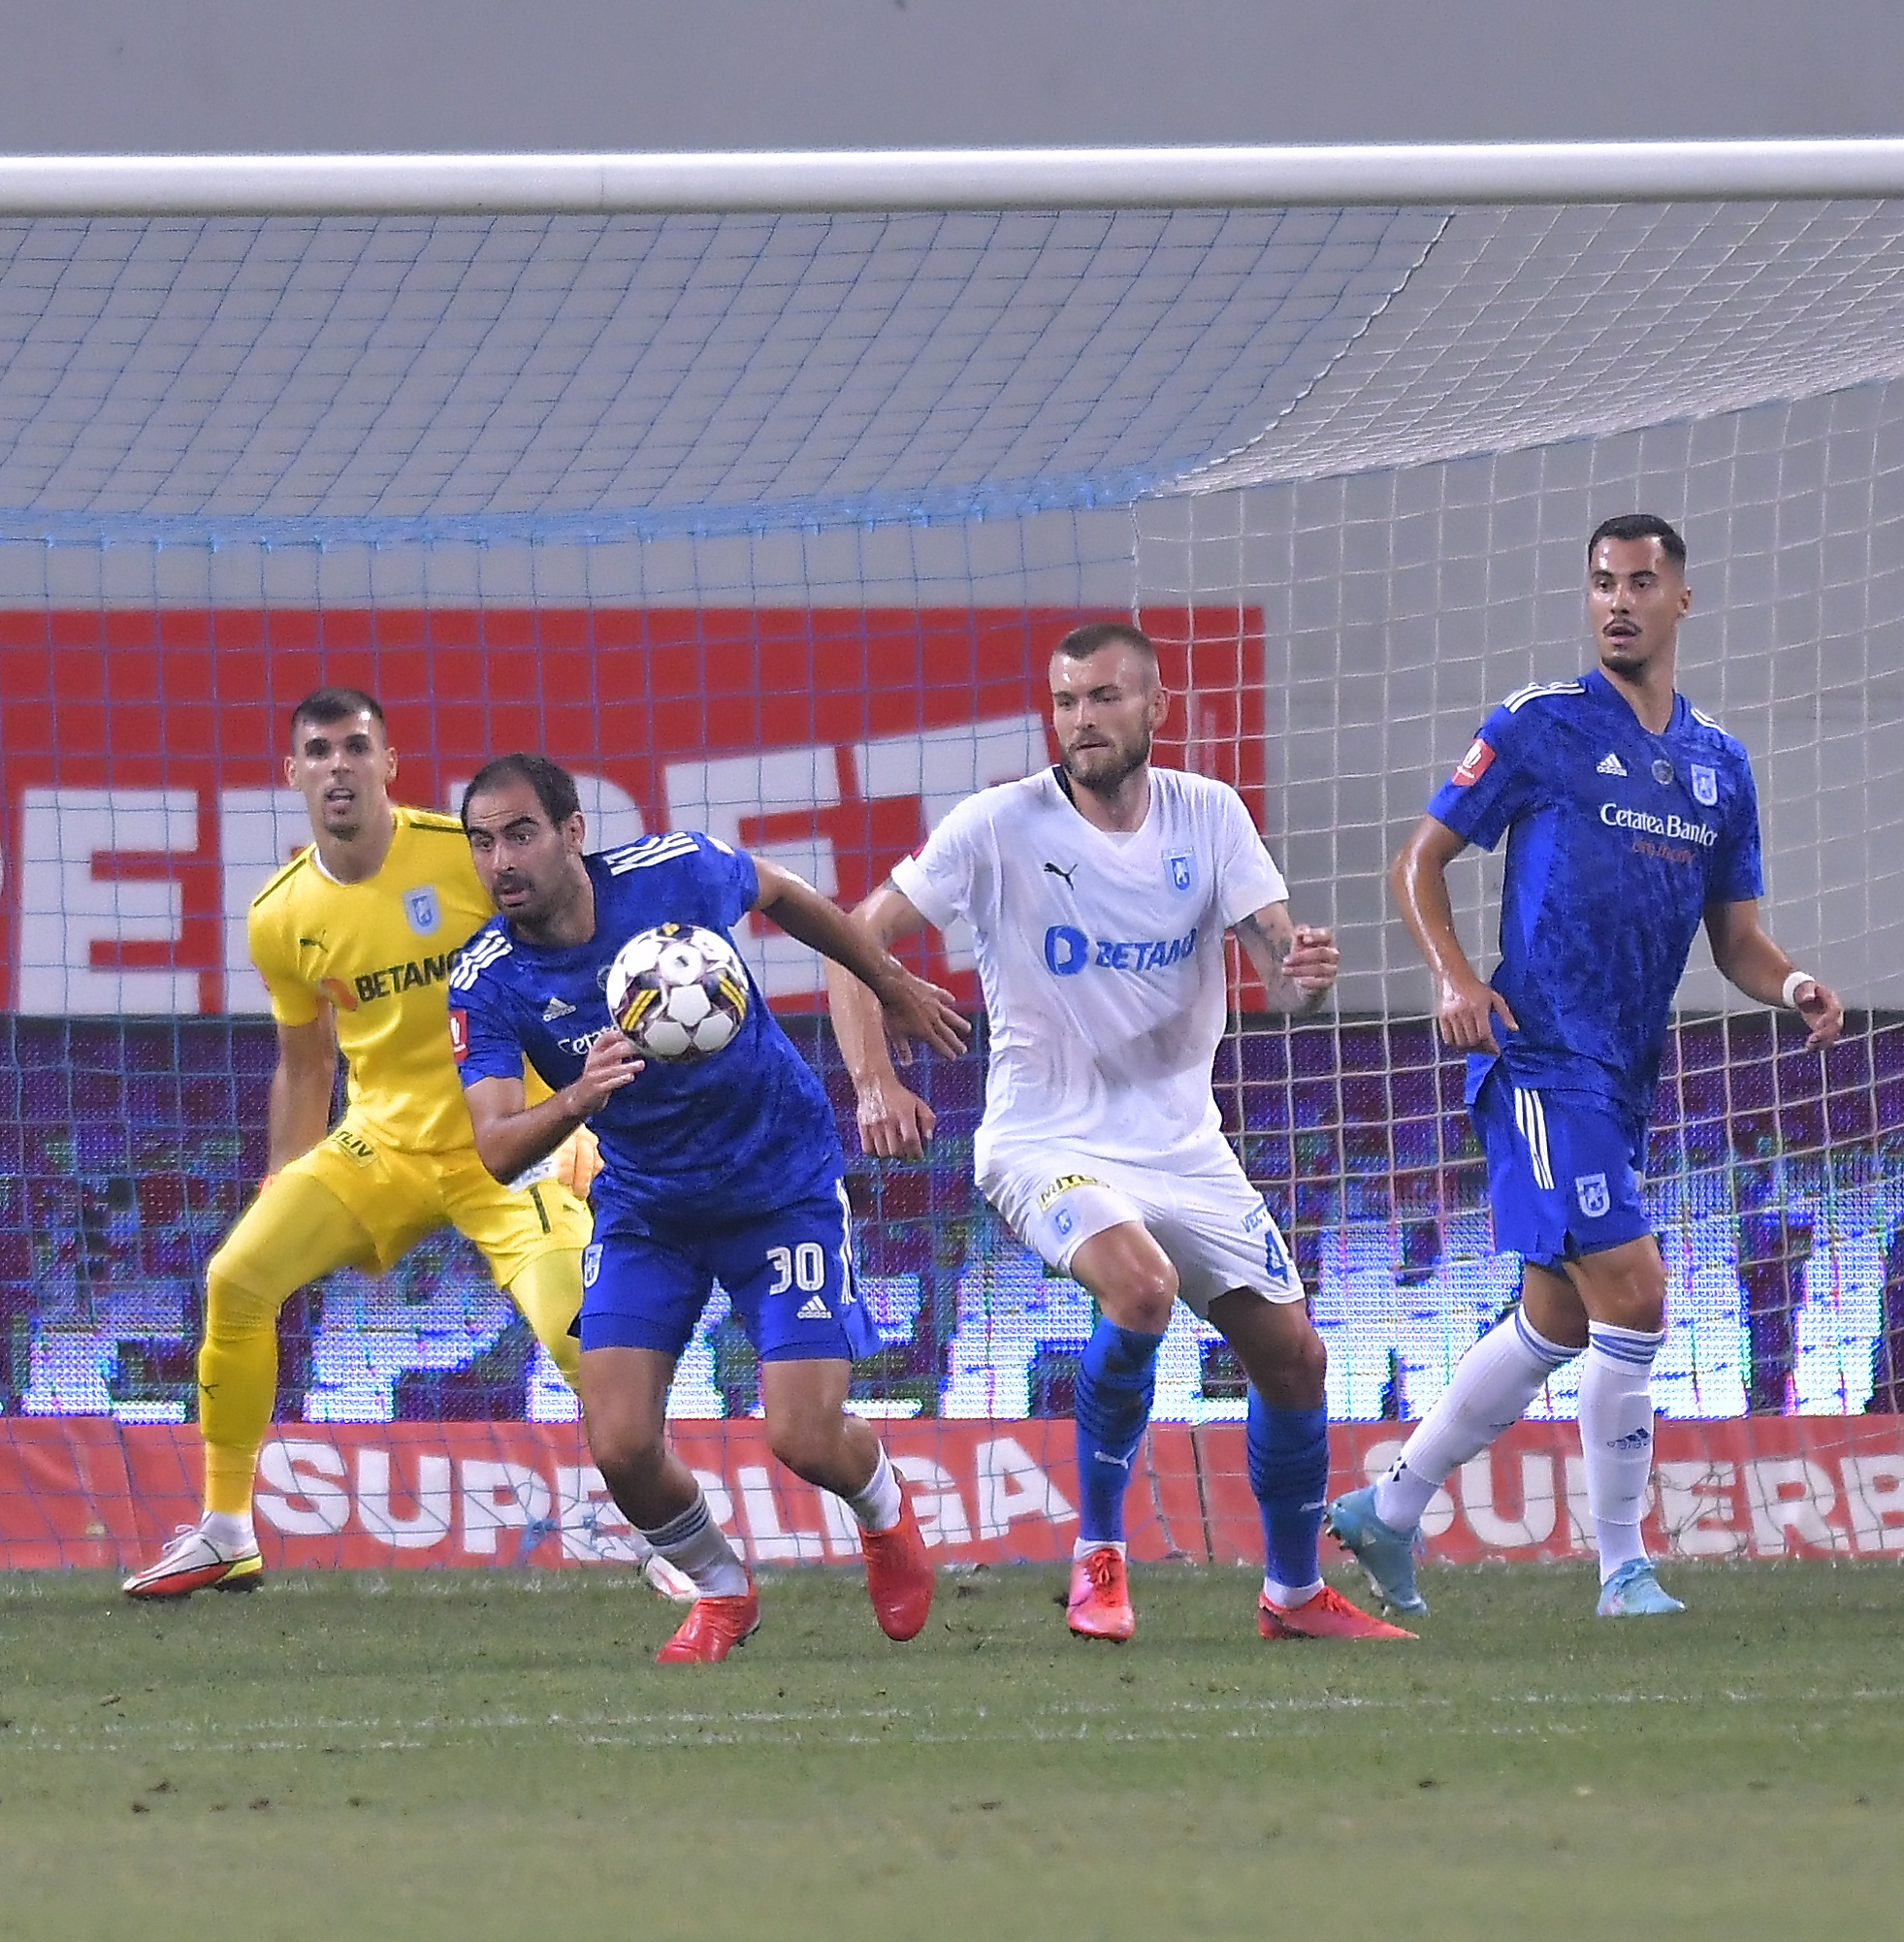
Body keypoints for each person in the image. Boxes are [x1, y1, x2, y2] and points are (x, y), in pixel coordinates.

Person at [826, 620, 1411, 1644]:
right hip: (1042, 1139)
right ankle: (1098, 1557)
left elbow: (1281, 969)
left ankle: (1289, 1593)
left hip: (1182, 1143)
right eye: (1063, 702)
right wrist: (873, 1081)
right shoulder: (997, 825)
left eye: (1101, 697)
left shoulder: (1209, 814)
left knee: (1294, 1359)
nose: (1079, 720)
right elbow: (847, 941)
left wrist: (1302, 973)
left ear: (1155, 707)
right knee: (1138, 1287)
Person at [1330, 514, 1842, 1619]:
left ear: (1679, 602)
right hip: (1538, 1059)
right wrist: (1456, 980)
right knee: (1639, 1293)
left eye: (1639, 582)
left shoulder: (1718, 766)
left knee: (1559, 1320)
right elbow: (1418, 858)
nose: (1616, 600)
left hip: (1624, 1071)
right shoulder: (1536, 726)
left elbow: (1736, 941)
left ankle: (1389, 1507)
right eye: (1601, 582)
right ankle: (1621, 1567)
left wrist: (1792, 983)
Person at [447, 753, 969, 1663]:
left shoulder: (673, 873)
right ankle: (721, 1592)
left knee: (803, 1438)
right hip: (648, 1208)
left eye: (520, 834)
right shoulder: (485, 980)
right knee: (616, 1444)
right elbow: (494, 1150)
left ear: (572, 833)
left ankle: (884, 1516)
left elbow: (784, 892)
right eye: (481, 843)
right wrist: (576, 1098)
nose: (501, 862)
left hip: (779, 1186)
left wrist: (885, 982)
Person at [121, 692, 597, 1599]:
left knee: (577, 1334)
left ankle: (667, 1534)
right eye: (317, 751)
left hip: (509, 1143)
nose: (336, 765)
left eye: (355, 747)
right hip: (380, 1145)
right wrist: (281, 1184)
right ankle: (226, 1531)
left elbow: (570, 958)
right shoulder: (279, 914)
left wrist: (584, 1124)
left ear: (389, 765)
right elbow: (304, 1068)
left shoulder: (466, 855)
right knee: (238, 1277)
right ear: (290, 774)